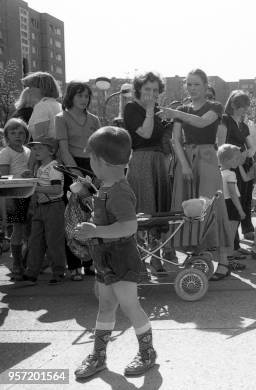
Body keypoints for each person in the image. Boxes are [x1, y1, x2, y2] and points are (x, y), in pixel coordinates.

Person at [73, 127, 156, 378]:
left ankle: (147, 352)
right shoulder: (108, 185)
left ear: (101, 161)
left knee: (130, 306)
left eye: (92, 160)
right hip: (106, 257)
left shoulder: (119, 190)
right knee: (106, 305)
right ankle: (99, 355)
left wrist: (94, 231)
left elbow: (129, 226)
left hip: (120, 257)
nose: (91, 165)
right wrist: (89, 194)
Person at [159, 69, 233, 269]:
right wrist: (183, 165)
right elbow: (175, 140)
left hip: (208, 158)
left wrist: (174, 112)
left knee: (212, 206)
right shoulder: (183, 109)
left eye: (196, 84)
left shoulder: (215, 106)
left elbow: (201, 122)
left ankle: (224, 261)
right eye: (189, 84)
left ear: (205, 86)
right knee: (188, 208)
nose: (192, 88)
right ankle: (198, 255)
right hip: (187, 159)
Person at [123, 72, 172, 271]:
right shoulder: (132, 108)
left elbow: (165, 137)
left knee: (159, 210)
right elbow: (145, 133)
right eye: (147, 89)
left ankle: (156, 256)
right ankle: (140, 259)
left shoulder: (159, 110)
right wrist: (151, 111)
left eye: (155, 90)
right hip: (142, 160)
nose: (151, 93)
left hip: (159, 161)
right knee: (145, 208)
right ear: (139, 90)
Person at [55, 81, 102, 280]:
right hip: (72, 169)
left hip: (92, 168)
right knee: (72, 218)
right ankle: (74, 264)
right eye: (79, 95)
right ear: (71, 97)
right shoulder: (61, 117)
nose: (84, 100)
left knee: (91, 216)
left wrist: (97, 173)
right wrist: (76, 175)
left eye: (86, 96)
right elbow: (63, 149)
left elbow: (99, 148)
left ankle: (91, 263)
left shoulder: (94, 119)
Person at [20, 137, 66, 285]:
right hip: (40, 207)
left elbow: (56, 189)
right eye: (33, 148)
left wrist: (34, 187)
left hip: (54, 207)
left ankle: (58, 272)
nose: (35, 151)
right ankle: (31, 273)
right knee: (35, 241)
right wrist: (32, 179)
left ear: (51, 151)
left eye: (40, 148)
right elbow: (41, 185)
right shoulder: (40, 168)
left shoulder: (54, 167)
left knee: (54, 242)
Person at [219, 90, 256, 247]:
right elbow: (220, 146)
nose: (245, 110)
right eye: (242, 106)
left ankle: (236, 243)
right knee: (232, 203)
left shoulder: (244, 125)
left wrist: (248, 152)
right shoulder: (225, 121)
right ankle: (232, 245)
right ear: (234, 105)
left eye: (247, 106)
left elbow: (252, 146)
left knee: (243, 200)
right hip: (230, 167)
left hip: (243, 167)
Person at [0, 119, 32, 281]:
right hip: (15, 194)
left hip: (30, 193)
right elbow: (4, 176)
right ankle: (17, 264)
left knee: (30, 229)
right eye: (13, 133)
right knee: (18, 229)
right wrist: (21, 176)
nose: (17, 136)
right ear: (7, 136)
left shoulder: (28, 151)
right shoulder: (6, 152)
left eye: (21, 133)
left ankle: (28, 262)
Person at [216, 144, 246, 280]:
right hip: (232, 206)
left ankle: (225, 261)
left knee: (226, 234)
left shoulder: (219, 172)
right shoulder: (231, 174)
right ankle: (229, 261)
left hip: (223, 205)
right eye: (236, 159)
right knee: (231, 235)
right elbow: (233, 194)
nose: (238, 161)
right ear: (227, 160)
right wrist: (240, 210)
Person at [21, 72, 62, 140]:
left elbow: (41, 140)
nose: (29, 90)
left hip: (45, 149)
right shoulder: (58, 105)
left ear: (42, 88)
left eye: (31, 87)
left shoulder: (42, 106)